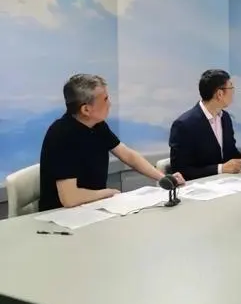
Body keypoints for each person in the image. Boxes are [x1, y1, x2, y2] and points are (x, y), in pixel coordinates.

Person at [39, 74, 185, 212]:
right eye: (105, 99)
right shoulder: (61, 135)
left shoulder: (97, 125)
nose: (109, 104)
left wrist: (163, 178)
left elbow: (127, 155)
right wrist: (107, 193)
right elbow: (70, 198)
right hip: (61, 215)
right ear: (86, 109)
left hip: (92, 208)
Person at [169, 69, 241, 181]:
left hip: (226, 184)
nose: (233, 92)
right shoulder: (184, 125)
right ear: (219, 94)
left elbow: (232, 155)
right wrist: (220, 169)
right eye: (231, 88)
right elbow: (180, 171)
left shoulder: (225, 117)